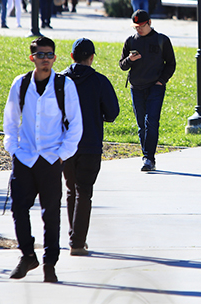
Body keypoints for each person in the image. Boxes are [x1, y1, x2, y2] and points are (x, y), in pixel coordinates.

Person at [4, 37, 83, 283]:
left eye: (49, 55)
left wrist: (61, 155)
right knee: (19, 209)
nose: (45, 59)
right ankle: (28, 255)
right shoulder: (21, 83)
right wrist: (14, 150)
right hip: (25, 158)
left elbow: (76, 125)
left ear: (55, 58)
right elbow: (10, 120)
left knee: (51, 215)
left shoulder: (64, 85)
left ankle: (50, 264)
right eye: (40, 55)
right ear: (32, 58)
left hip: (51, 159)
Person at [61, 38, 119, 256]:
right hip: (90, 144)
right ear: (92, 57)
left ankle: (73, 236)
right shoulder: (99, 81)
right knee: (84, 192)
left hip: (66, 145)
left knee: (70, 190)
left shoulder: (60, 80)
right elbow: (112, 113)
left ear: (72, 56)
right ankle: (77, 242)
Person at [120, 10, 176, 172]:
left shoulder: (162, 40)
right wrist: (130, 60)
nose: (139, 29)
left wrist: (161, 81)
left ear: (149, 23)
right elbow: (122, 65)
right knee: (141, 126)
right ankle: (147, 156)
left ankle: (148, 158)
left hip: (155, 87)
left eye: (141, 26)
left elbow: (171, 63)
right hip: (136, 87)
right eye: (136, 27)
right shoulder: (130, 41)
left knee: (151, 122)